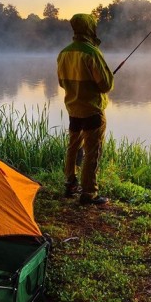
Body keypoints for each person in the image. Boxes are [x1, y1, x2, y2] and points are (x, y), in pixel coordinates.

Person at [57, 13, 114, 205]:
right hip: (92, 110)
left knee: (73, 148)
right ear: (90, 28)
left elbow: (62, 82)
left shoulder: (64, 53)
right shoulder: (92, 53)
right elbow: (105, 85)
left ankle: (70, 184)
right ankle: (89, 193)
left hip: (73, 108)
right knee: (92, 151)